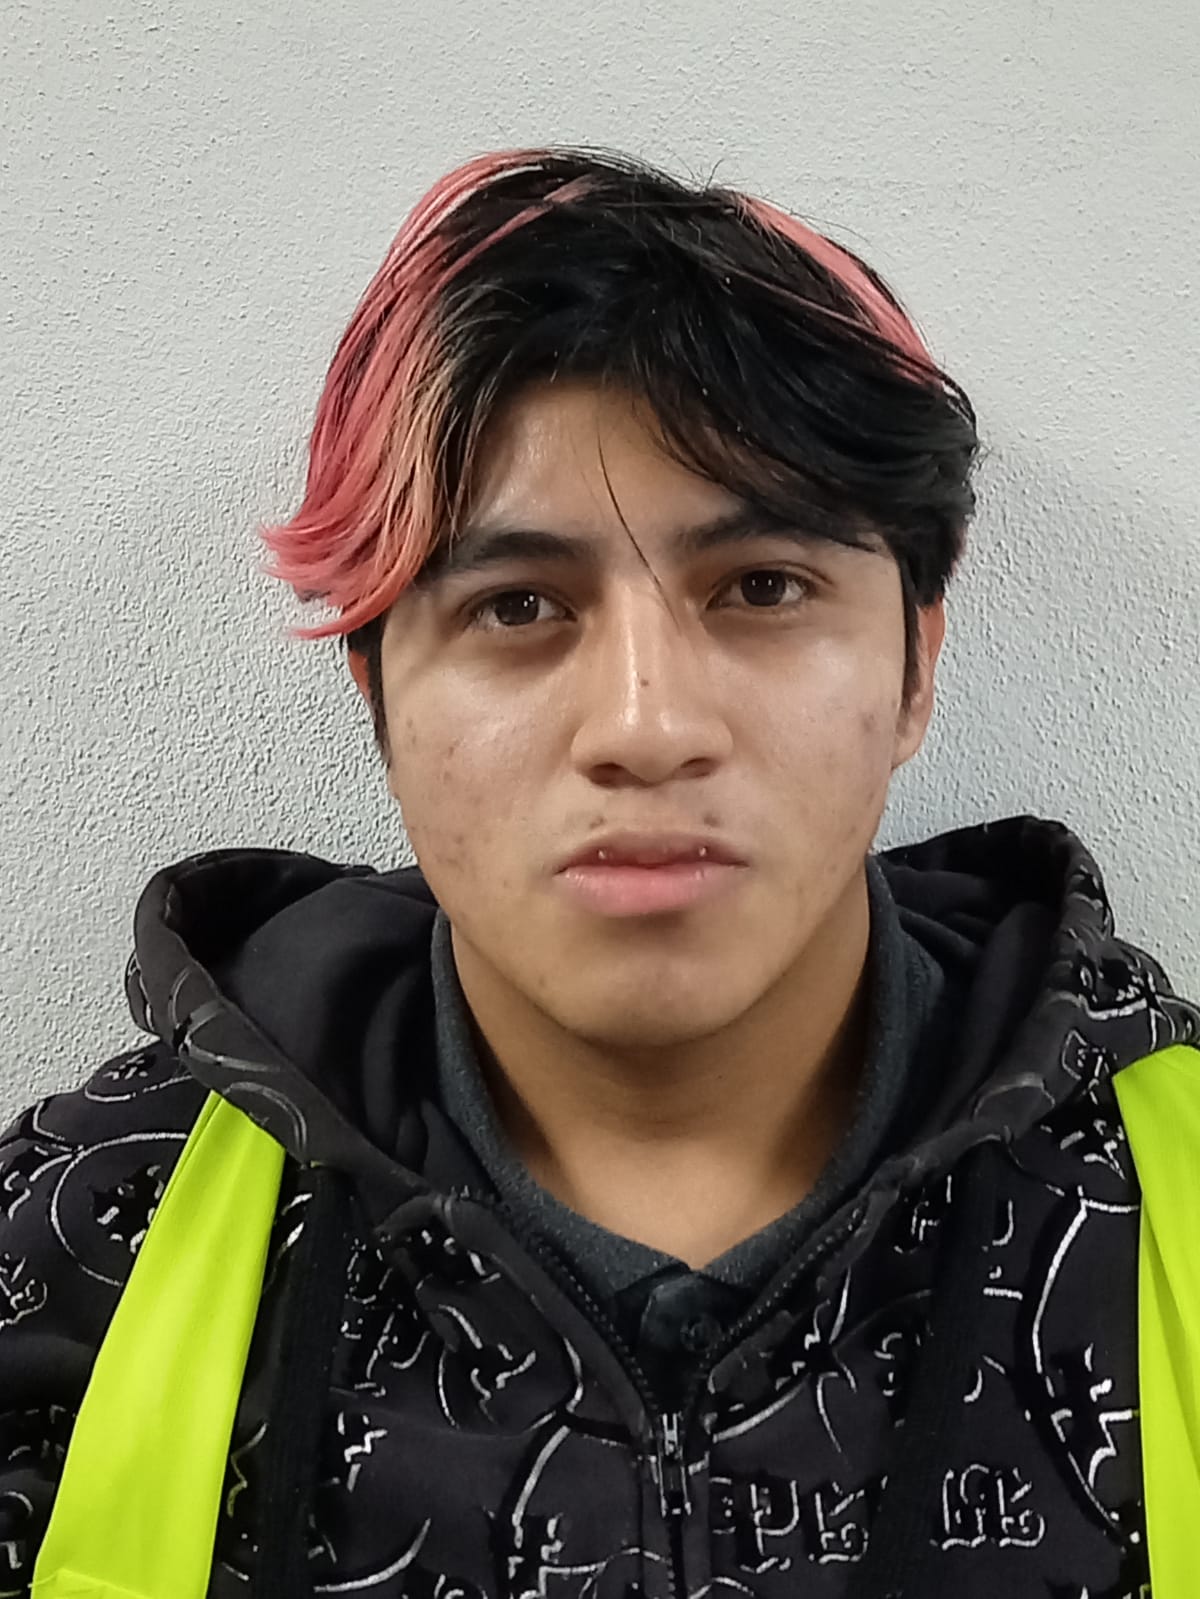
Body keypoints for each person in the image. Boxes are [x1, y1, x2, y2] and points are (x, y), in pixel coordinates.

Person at [2, 145, 1196, 1599]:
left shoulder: (1172, 1205)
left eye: (762, 587)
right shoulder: (78, 1248)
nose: (645, 726)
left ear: (912, 669)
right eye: (517, 606)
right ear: (379, 700)